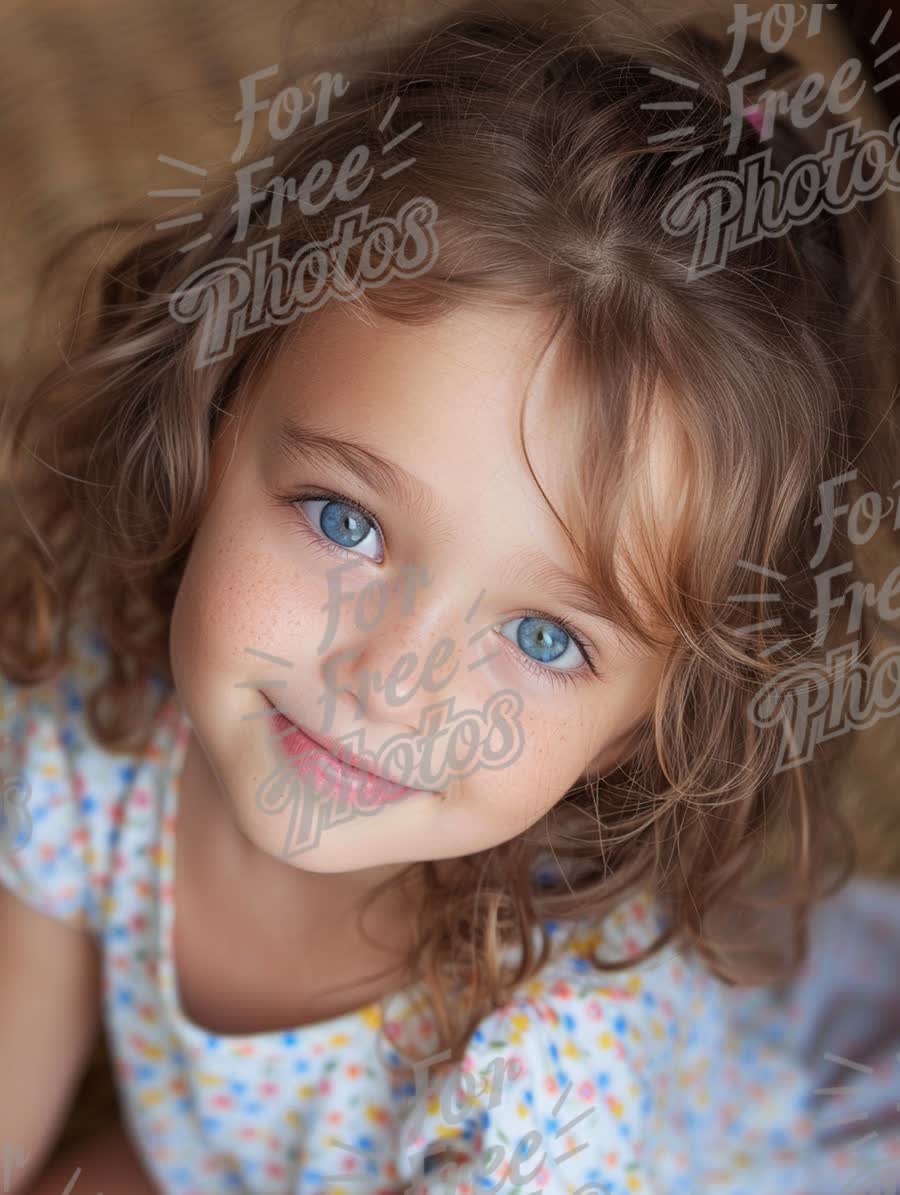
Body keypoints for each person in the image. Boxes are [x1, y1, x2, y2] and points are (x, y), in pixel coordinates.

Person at [1, 6, 898, 1193]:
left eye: (542, 636)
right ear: (213, 407)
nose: (391, 677)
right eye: (345, 520)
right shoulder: (103, 728)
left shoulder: (546, 1081)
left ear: (657, 719)